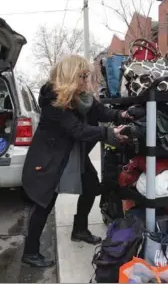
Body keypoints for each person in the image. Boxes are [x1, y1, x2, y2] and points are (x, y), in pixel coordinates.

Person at [21, 55, 129, 268]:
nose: (86, 79)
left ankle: (79, 229)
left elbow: (102, 112)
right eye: (83, 75)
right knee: (44, 204)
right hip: (50, 158)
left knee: (90, 187)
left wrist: (122, 114)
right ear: (71, 75)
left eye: (87, 75)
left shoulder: (83, 97)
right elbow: (77, 130)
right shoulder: (54, 99)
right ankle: (30, 252)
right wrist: (110, 133)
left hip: (72, 154)